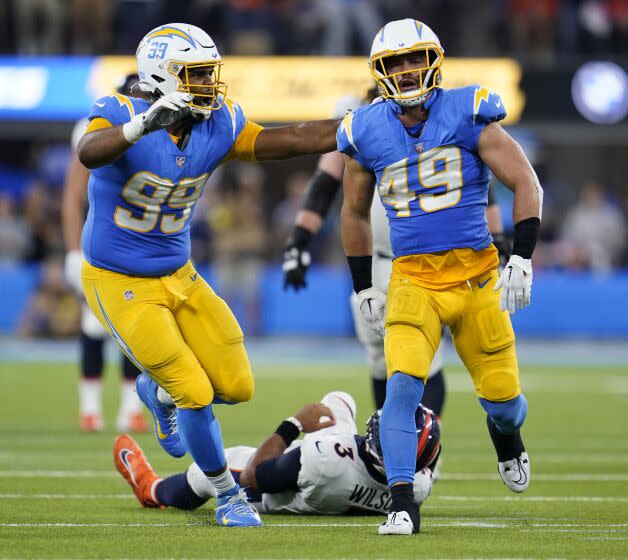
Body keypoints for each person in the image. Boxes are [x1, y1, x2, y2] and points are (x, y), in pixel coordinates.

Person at [75, 23, 340, 528]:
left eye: (208, 73)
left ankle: (157, 392)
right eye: (195, 74)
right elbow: (88, 153)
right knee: (195, 392)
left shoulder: (217, 122)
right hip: (119, 280)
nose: (207, 85)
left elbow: (288, 139)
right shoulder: (120, 111)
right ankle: (226, 495)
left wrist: (353, 127)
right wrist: (143, 125)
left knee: (238, 386)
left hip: (179, 272)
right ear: (163, 75)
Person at [339, 19, 543, 535]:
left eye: (415, 59)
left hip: (477, 276)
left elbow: (524, 180)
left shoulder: (467, 110)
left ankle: (506, 436)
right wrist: (363, 284)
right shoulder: (365, 128)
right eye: (395, 63)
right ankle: (403, 500)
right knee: (401, 388)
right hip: (412, 281)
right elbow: (353, 213)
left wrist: (521, 254)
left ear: (434, 60)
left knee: (505, 405)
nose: (407, 71)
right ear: (380, 72)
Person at [282, 89, 513, 417]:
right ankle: (390, 445)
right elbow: (325, 183)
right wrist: (299, 240)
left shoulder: (437, 120)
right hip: (375, 261)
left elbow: (478, 181)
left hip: (428, 262)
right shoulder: (362, 123)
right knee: (380, 358)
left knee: (425, 361)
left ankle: (425, 456)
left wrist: (499, 238)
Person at [113, 391, 439, 516]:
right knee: (340, 402)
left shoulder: (325, 458)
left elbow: (257, 475)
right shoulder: (418, 487)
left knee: (206, 474)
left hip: (290, 487)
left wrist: (293, 424)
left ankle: (150, 489)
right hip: (349, 480)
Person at [62, 73, 146, 433]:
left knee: (138, 325)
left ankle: (130, 409)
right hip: (102, 242)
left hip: (138, 242)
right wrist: (71, 248)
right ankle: (91, 408)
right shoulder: (102, 125)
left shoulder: (158, 125)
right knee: (95, 324)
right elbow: (73, 194)